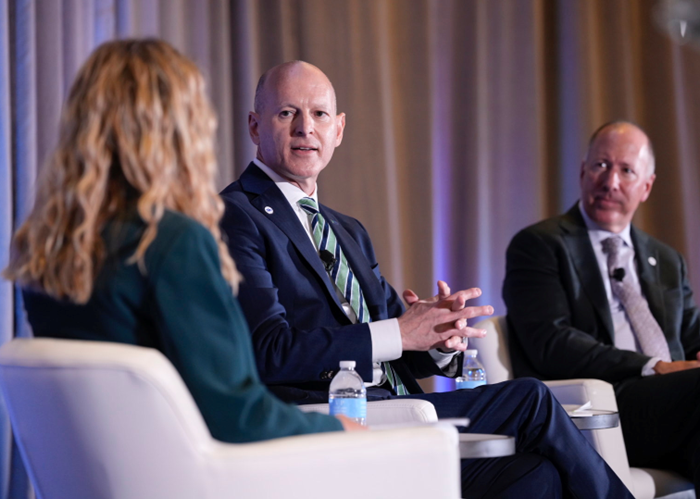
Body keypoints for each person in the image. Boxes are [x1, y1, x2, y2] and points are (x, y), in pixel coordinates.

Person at [219, 60, 632, 498]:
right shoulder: (235, 216)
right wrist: (400, 332)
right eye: (287, 113)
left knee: (536, 476)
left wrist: (435, 337)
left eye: (319, 114)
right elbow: (269, 351)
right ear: (255, 125)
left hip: (396, 409)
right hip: (332, 420)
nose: (305, 127)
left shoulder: (348, 230)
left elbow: (396, 346)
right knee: (531, 400)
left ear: (338, 130)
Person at [2, 39, 363, 444]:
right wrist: (339, 430)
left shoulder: (47, 245)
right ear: (177, 128)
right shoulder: (171, 242)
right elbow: (237, 416)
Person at [503, 121, 700, 493]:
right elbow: (550, 342)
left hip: (677, 404)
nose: (611, 182)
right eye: (601, 165)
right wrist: (654, 367)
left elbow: (689, 330)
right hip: (600, 405)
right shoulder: (540, 245)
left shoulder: (666, 259)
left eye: (626, 170)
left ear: (646, 186)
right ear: (582, 171)